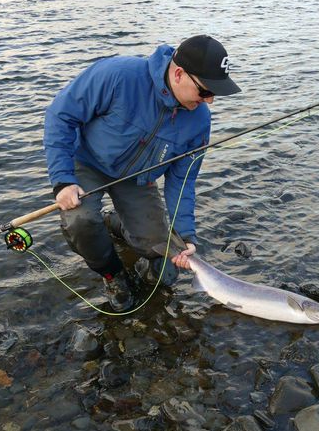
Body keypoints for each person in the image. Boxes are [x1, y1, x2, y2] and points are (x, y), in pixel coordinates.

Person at [43, 35, 241, 311]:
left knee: (166, 269)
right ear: (179, 74)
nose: (210, 101)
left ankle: (115, 224)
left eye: (214, 94)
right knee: (81, 222)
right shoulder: (117, 75)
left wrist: (185, 235)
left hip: (138, 179)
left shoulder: (199, 121)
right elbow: (60, 115)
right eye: (205, 91)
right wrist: (63, 180)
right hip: (86, 163)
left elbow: (182, 181)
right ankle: (113, 274)